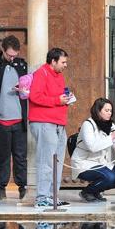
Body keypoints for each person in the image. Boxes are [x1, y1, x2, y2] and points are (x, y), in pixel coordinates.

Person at [0, 35, 28, 200]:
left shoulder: (22, 65)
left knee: (20, 157)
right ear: (3, 50)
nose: (12, 58)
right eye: (9, 55)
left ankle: (23, 188)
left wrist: (24, 90)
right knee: (2, 157)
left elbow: (32, 88)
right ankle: (0, 189)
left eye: (15, 54)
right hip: (0, 122)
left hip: (20, 122)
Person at [28, 47, 72, 208]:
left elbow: (58, 96)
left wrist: (66, 99)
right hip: (44, 122)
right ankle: (42, 197)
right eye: (63, 62)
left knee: (57, 162)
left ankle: (53, 196)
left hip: (59, 123)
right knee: (46, 161)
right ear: (53, 61)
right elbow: (35, 96)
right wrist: (57, 100)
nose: (65, 65)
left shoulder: (59, 76)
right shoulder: (41, 73)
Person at [71, 98, 115, 202]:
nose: (109, 113)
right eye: (106, 110)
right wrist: (112, 137)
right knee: (109, 177)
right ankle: (87, 192)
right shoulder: (88, 125)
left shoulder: (110, 124)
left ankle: (96, 190)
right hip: (84, 163)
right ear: (98, 111)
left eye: (110, 111)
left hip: (102, 163)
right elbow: (92, 147)